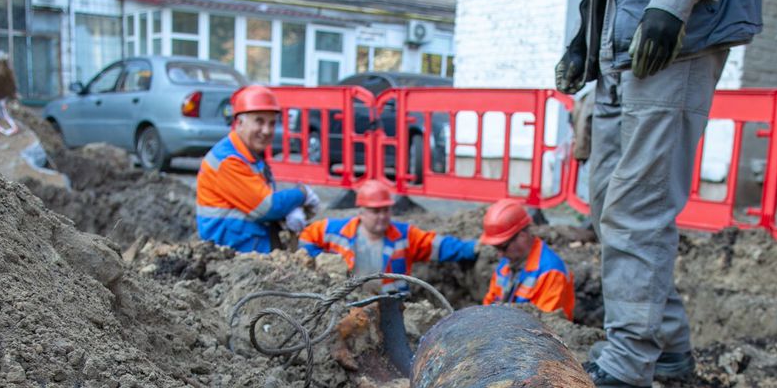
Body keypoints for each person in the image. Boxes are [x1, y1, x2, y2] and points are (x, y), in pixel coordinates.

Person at [555, 0, 762, 388]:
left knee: (637, 206)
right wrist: (583, 38)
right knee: (608, 204)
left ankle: (628, 369)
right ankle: (665, 344)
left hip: (676, 39)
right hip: (617, 48)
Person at [196, 84, 320, 252]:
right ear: (239, 123)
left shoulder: (248, 155)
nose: (267, 130)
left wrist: (291, 209)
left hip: (244, 243)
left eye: (271, 123)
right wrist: (302, 194)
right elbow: (266, 207)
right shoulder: (229, 160)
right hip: (232, 250)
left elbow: (261, 198)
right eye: (259, 121)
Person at [298, 179, 476, 291]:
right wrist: (317, 265)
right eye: (376, 211)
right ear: (361, 211)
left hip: (392, 308)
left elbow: (439, 246)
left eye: (386, 210)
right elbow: (307, 237)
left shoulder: (404, 236)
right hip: (351, 303)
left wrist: (471, 248)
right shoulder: (338, 231)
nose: (382, 216)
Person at [479, 199, 575, 321]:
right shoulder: (508, 261)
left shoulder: (551, 272)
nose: (499, 254)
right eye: (496, 248)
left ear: (521, 236)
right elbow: (489, 303)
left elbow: (545, 326)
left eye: (502, 247)